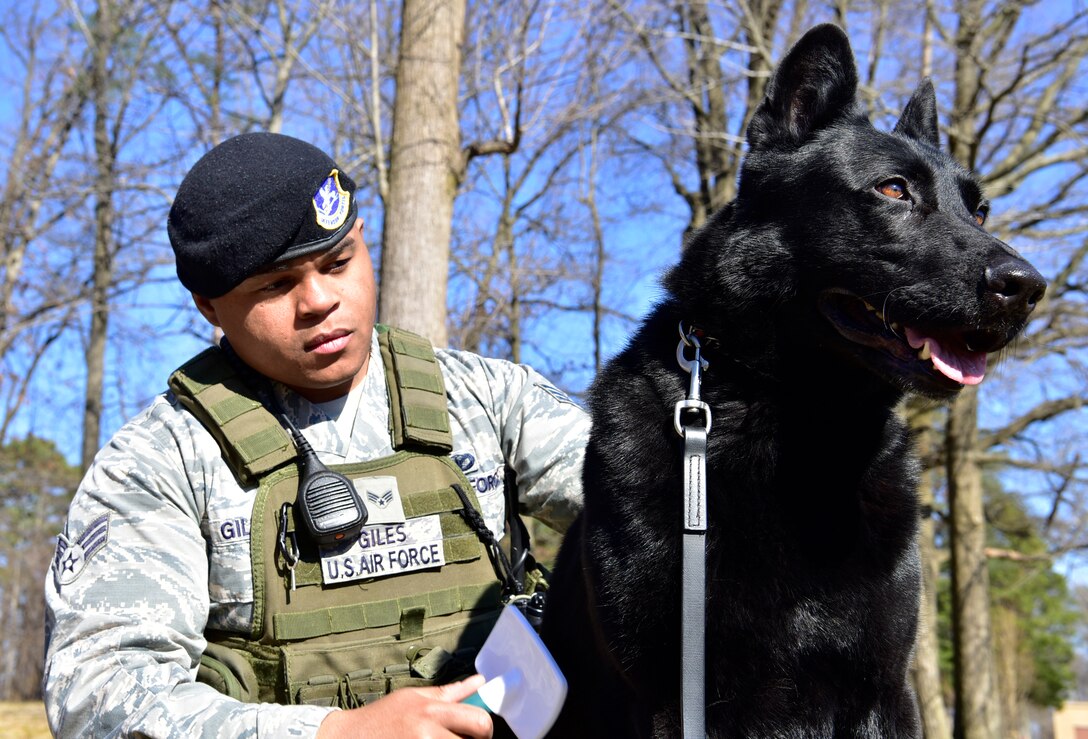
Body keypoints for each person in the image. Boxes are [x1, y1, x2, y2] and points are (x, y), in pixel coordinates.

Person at [43, 132, 589, 738]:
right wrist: (332, 733)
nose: (322, 301)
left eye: (339, 263)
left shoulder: (487, 398)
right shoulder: (161, 462)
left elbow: (668, 514)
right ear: (208, 306)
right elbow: (98, 696)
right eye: (276, 286)